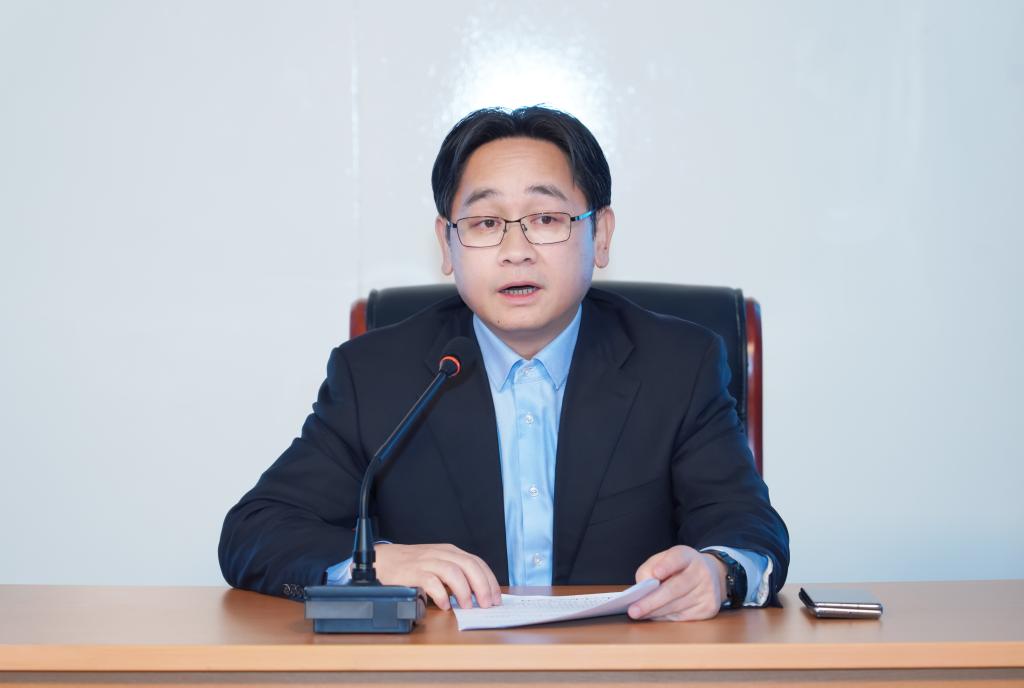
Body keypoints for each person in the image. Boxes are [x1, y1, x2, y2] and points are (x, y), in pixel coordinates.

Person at [219, 106, 789, 622]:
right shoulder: (375, 375)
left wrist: (719, 572)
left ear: (601, 235)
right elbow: (254, 532)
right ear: (447, 245)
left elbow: (747, 528)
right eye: (486, 223)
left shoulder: (678, 365)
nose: (516, 251)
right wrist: (376, 562)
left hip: (621, 668)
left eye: (546, 219)